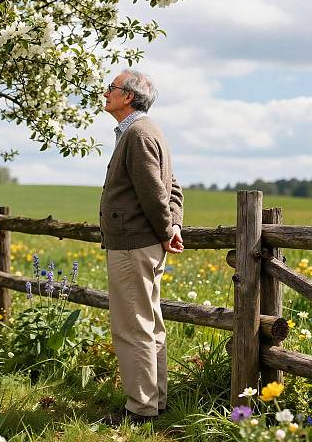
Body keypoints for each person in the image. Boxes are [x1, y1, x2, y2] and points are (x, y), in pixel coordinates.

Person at [99, 69, 184, 425]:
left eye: (112, 88)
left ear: (129, 97)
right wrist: (173, 225)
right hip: (142, 242)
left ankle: (140, 411)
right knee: (149, 325)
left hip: (134, 245)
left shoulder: (137, 133)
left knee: (132, 327)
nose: (105, 92)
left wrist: (167, 228)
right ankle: (155, 402)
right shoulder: (147, 132)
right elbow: (173, 188)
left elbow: (155, 191)